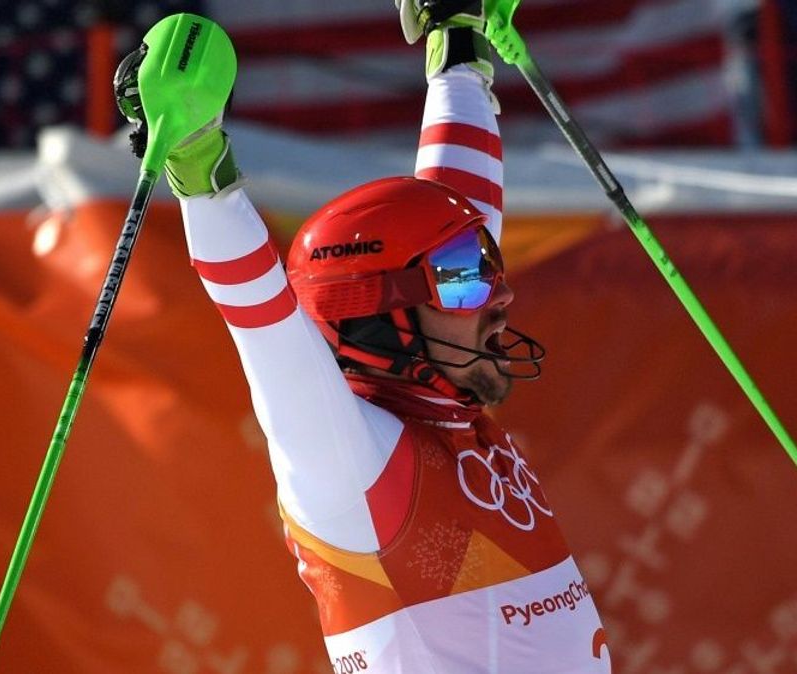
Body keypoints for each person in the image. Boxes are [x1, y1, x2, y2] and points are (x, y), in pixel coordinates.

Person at [118, 2, 611, 671]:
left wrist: (458, 48)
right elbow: (265, 326)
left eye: (489, 265)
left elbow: (456, 206)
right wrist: (201, 168)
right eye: (466, 277)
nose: (501, 293)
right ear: (381, 318)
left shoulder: (448, 411)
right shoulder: (354, 465)